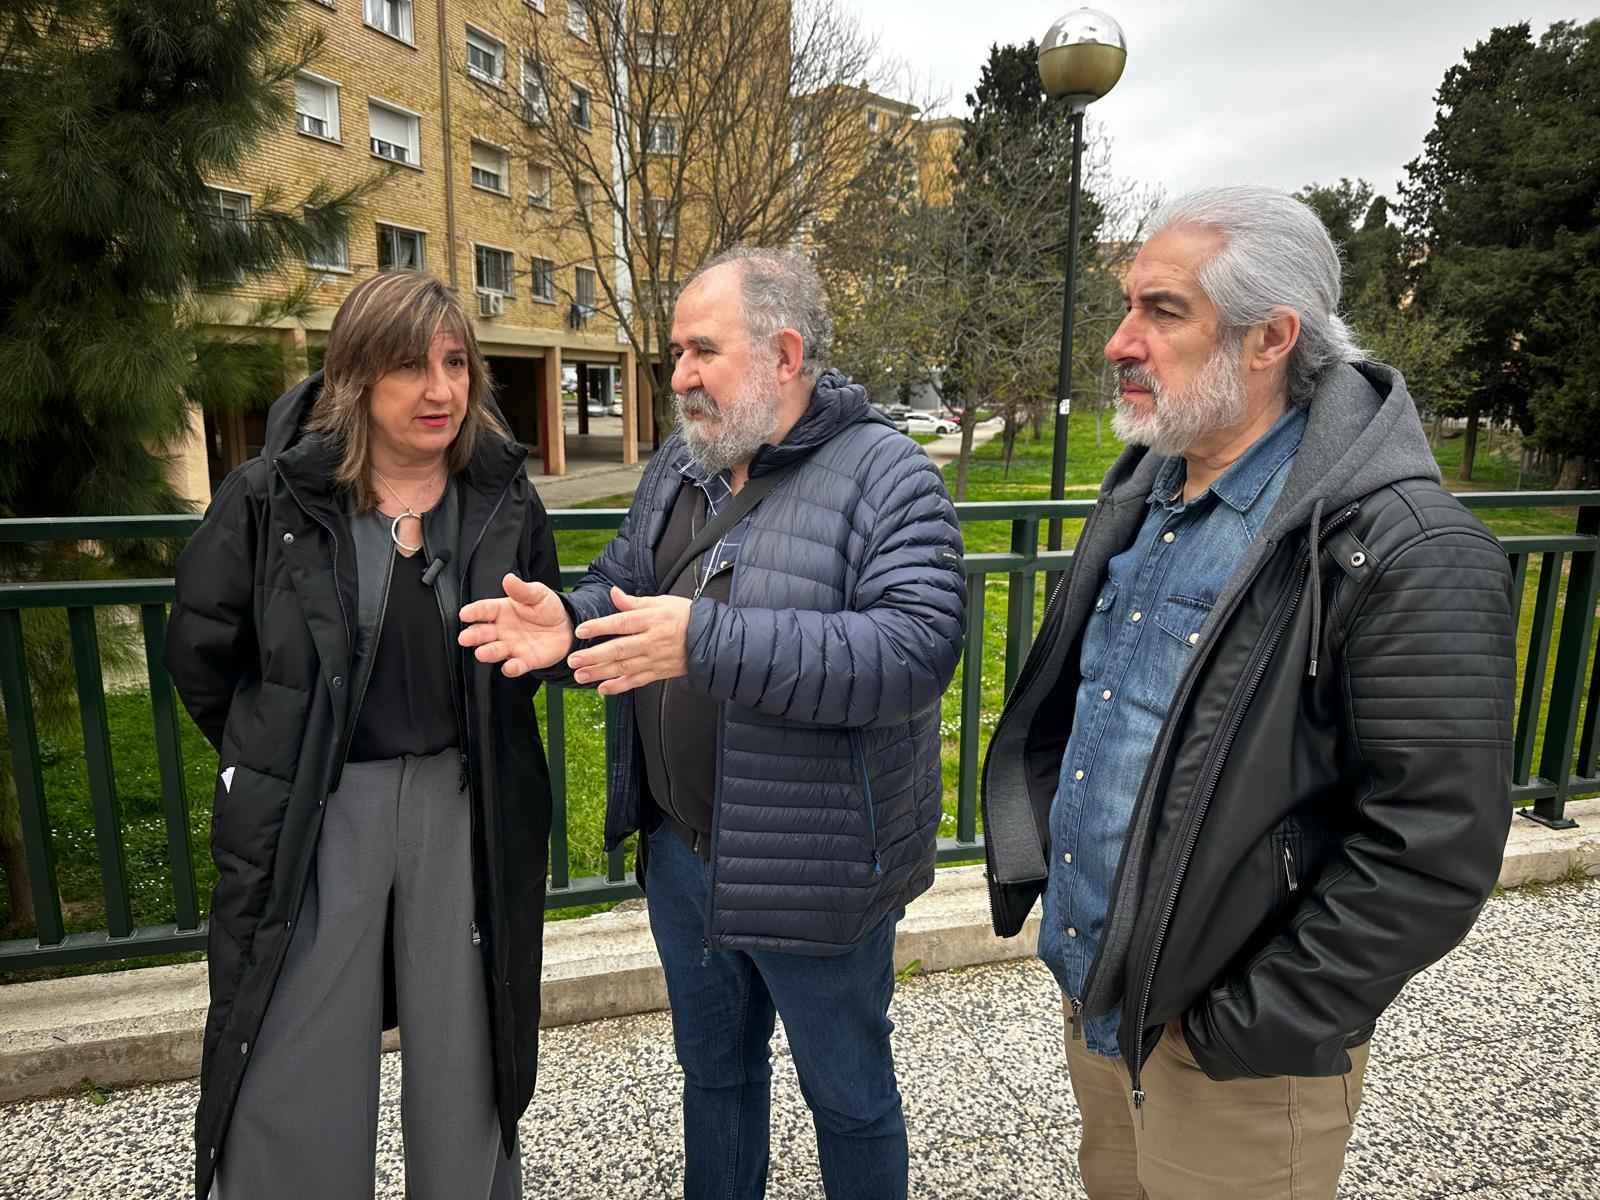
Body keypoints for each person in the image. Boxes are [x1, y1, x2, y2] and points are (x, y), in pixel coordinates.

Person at [980, 187, 1516, 1199]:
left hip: (1233, 1055)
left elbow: (1433, 846)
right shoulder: (1149, 490)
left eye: (1162, 310)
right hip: (1104, 998)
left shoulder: (1403, 546)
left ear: (1271, 337)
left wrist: (1243, 1024)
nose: (1118, 341)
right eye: (1127, 304)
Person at [458, 246, 966, 1200]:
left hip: (816, 867)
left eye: (702, 350)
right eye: (676, 353)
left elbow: (914, 651)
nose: (679, 375)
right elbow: (625, 582)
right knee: (717, 1078)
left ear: (784, 354)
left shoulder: (888, 476)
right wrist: (570, 624)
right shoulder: (683, 463)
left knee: (849, 1099)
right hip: (684, 858)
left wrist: (707, 641)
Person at [166, 270, 558, 1200]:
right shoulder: (272, 498)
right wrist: (279, 753)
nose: (440, 390)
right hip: (323, 804)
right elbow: (203, 653)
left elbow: (530, 646)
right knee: (296, 1040)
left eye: (455, 363)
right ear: (355, 375)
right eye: (409, 366)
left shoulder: (501, 496)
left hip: (463, 807)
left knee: (468, 1048)